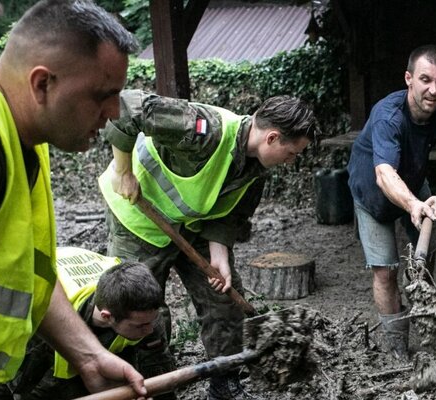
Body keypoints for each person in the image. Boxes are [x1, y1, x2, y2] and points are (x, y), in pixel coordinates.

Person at [0, 0, 147, 397]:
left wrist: (88, 355)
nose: (113, 114)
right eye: (101, 95)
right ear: (42, 84)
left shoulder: (21, 132)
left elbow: (29, 273)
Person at [101, 89, 319, 399]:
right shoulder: (204, 129)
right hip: (138, 219)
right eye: (292, 153)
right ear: (272, 138)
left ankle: (225, 382)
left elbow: (228, 217)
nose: (290, 161)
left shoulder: (256, 171)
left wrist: (220, 258)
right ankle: (156, 387)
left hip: (192, 226)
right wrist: (123, 171)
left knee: (225, 299)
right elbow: (127, 106)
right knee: (142, 310)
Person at [347, 44, 436, 357]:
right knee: (386, 270)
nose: (433, 89)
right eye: (425, 79)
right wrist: (414, 206)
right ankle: (398, 348)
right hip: (373, 189)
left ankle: (425, 320)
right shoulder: (388, 116)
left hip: (414, 181)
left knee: (429, 256)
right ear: (408, 79)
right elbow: (384, 175)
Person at [11, 260, 173, 400]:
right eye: (141, 326)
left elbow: (159, 368)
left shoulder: (139, 299)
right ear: (107, 317)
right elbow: (25, 388)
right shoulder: (43, 322)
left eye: (151, 321)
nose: (150, 330)